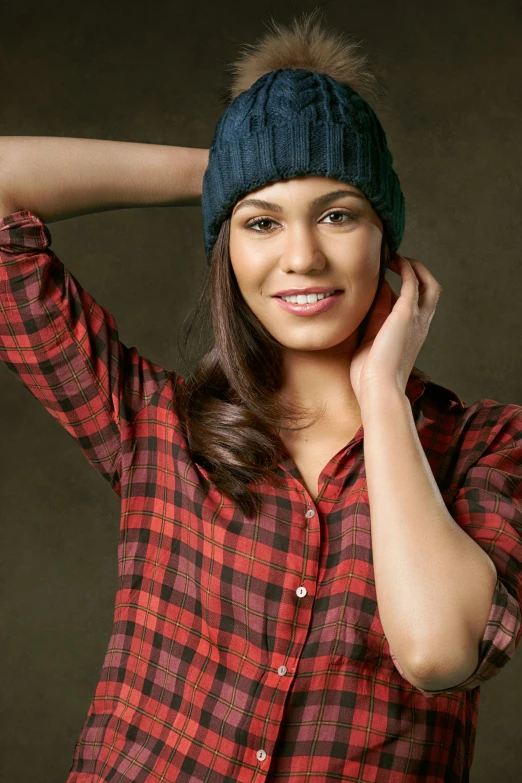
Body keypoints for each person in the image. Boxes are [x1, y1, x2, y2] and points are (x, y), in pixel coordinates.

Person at [1, 8, 521, 783]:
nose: (302, 256)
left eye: (338, 214)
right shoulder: (154, 423)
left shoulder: (488, 447)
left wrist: (381, 393)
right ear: (228, 250)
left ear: (388, 239)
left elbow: (438, 651)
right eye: (262, 222)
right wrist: (227, 169)